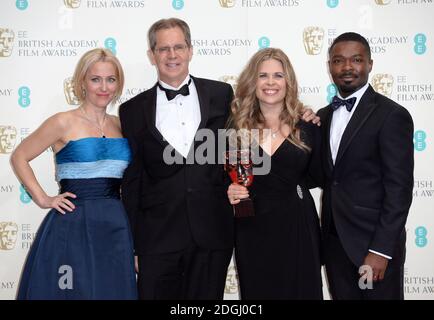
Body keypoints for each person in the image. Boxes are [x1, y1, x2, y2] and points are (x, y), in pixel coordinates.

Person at [119, 17, 235, 300]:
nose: (172, 55)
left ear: (191, 50)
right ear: (152, 55)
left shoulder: (222, 94)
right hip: (156, 238)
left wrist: (303, 114)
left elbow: (238, 147)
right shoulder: (132, 110)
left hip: (211, 233)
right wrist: (132, 244)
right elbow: (132, 182)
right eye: (163, 49)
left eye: (179, 47)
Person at [11, 48, 137, 299]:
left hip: (116, 224)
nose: (104, 87)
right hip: (73, 223)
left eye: (111, 79)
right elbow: (19, 156)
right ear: (82, 82)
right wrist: (44, 198)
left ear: (118, 83)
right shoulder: (62, 121)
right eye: (95, 79)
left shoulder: (122, 124)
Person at [317, 32, 414, 300]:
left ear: (370, 64)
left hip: (372, 246)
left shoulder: (391, 115)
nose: (347, 67)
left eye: (356, 59)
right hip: (335, 245)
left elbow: (399, 190)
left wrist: (381, 251)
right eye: (339, 61)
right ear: (330, 67)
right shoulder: (323, 116)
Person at [226, 48, 323, 299]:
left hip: (297, 226)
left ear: (287, 81)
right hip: (252, 228)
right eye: (263, 75)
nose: (271, 82)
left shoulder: (308, 125)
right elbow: (220, 176)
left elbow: (321, 175)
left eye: (278, 75)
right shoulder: (235, 128)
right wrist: (230, 189)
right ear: (252, 81)